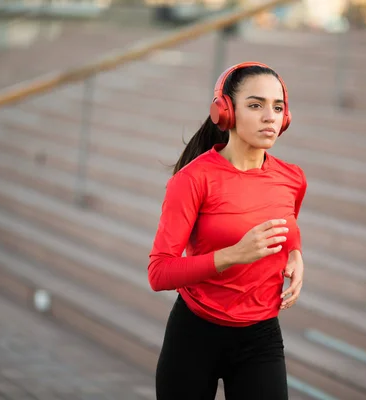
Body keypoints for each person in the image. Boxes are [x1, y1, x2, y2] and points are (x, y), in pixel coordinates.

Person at [147, 61, 308, 400]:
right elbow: (159, 272)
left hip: (260, 337)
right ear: (225, 112)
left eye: (277, 107)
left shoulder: (292, 178)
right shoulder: (192, 180)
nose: (270, 117)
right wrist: (235, 255)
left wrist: (295, 254)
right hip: (194, 335)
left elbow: (286, 226)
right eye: (255, 105)